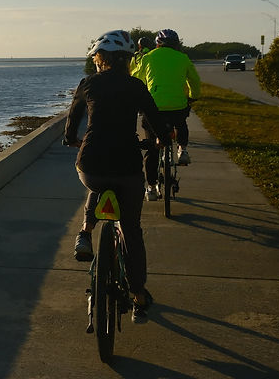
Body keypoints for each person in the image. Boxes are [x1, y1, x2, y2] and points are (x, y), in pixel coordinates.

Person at [64, 29, 170, 324]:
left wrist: (72, 139)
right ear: (127, 60)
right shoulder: (136, 86)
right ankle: (138, 295)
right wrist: (161, 139)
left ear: (100, 59)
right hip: (127, 168)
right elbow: (154, 119)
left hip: (91, 165)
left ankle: (85, 232)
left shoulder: (88, 83)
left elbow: (73, 118)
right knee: (131, 230)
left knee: (96, 183)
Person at [132, 28, 202, 201]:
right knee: (181, 122)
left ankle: (151, 188)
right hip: (177, 107)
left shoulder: (148, 58)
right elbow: (194, 81)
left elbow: (136, 78)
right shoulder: (183, 58)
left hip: (153, 109)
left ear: (158, 43)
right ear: (177, 45)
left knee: (152, 147)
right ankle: (182, 150)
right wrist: (193, 97)